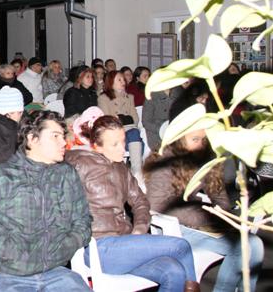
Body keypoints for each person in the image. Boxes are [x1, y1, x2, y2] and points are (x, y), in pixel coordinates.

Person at [65, 116, 200, 292]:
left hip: (126, 244)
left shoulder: (121, 168)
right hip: (101, 247)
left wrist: (139, 229)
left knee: (174, 272)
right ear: (97, 146)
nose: (122, 149)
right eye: (114, 144)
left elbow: (140, 202)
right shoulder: (80, 164)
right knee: (181, 246)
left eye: (123, 141)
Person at [0, 110, 91, 291]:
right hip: (5, 273)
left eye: (63, 136)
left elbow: (83, 219)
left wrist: (67, 245)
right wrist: (8, 253)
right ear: (32, 139)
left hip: (55, 271)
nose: (63, 142)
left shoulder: (67, 175)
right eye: (55, 136)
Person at [144, 111, 264, 292]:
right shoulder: (164, 161)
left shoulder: (201, 156)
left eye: (203, 139)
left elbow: (217, 192)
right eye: (195, 139)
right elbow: (157, 205)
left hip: (197, 223)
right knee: (243, 247)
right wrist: (204, 217)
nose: (201, 144)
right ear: (179, 138)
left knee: (256, 245)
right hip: (175, 229)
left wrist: (226, 217)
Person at [97, 71, 144, 187]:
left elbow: (135, 119)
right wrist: (126, 118)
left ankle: (136, 172)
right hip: (113, 133)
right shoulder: (103, 98)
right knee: (134, 135)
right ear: (111, 82)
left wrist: (121, 118)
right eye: (119, 80)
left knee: (134, 133)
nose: (123, 82)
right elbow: (108, 119)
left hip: (130, 131)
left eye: (123, 79)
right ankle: (134, 173)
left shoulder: (129, 97)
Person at [142, 87, 177, 152]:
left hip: (174, 131)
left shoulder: (177, 93)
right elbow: (146, 122)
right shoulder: (152, 97)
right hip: (156, 134)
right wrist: (162, 129)